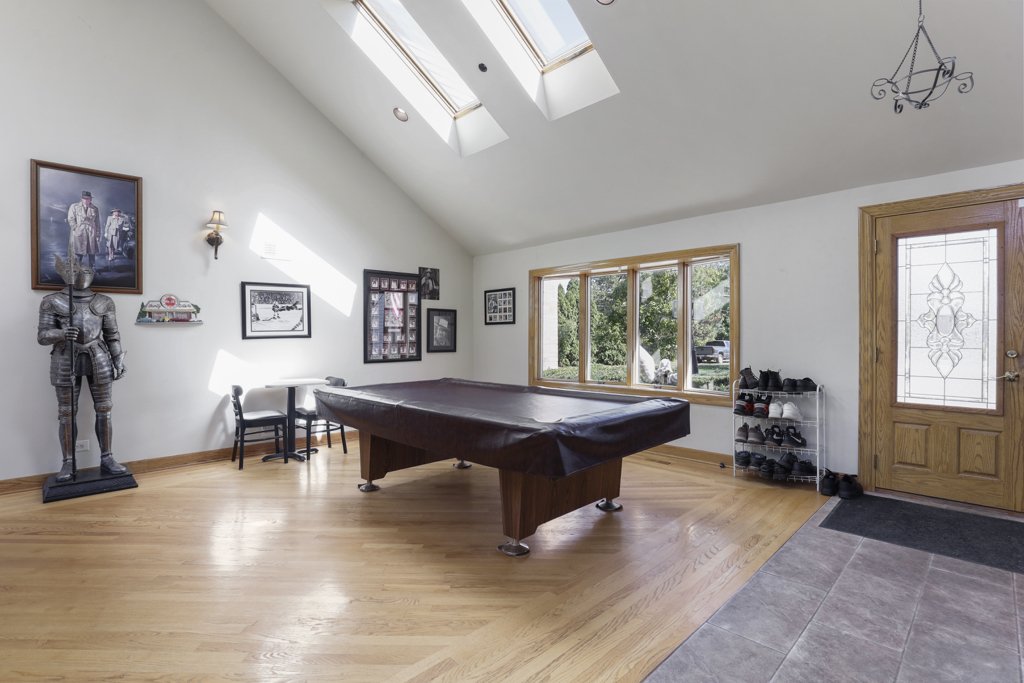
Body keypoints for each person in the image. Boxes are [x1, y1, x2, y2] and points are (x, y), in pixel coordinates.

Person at [37, 258, 128, 482]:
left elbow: (112, 334)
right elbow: (42, 336)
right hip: (66, 357)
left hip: (99, 355)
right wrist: (60, 334)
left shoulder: (104, 301)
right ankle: (68, 462)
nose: (82, 274)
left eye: (86, 270)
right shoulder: (52, 302)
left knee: (105, 409)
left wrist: (118, 359)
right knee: (66, 412)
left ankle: (107, 458)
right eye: (77, 271)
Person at [67, 191, 102, 270]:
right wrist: (76, 228)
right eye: (84, 199)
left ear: (91, 199)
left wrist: (98, 234)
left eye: (88, 199)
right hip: (80, 231)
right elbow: (71, 219)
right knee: (79, 251)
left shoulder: (95, 209)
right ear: (81, 199)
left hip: (91, 231)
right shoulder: (74, 207)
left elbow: (97, 222)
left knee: (92, 251)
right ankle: (76, 269)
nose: (86, 200)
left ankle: (92, 269)